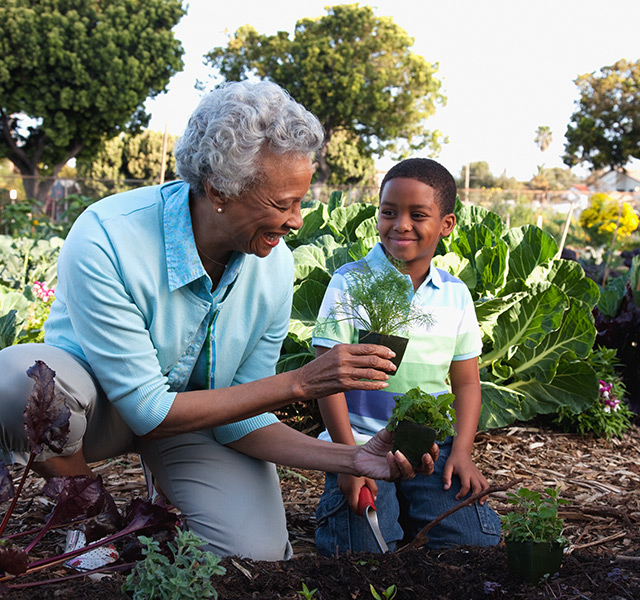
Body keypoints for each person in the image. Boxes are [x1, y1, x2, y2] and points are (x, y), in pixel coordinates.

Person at [0, 82, 439, 561]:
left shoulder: (272, 265)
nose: (296, 220)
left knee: (258, 557)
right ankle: (88, 516)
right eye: (282, 203)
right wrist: (300, 383)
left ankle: (163, 501)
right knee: (19, 382)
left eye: (300, 201)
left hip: (192, 422)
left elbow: (242, 416)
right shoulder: (108, 236)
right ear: (218, 190)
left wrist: (353, 457)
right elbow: (146, 410)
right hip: (97, 411)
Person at [312, 158, 501, 555]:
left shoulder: (456, 294)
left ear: (446, 225)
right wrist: (348, 461)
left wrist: (462, 453)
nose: (400, 225)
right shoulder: (350, 281)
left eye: (418, 215)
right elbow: (325, 380)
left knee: (476, 544)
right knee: (365, 551)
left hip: (430, 451)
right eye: (388, 212)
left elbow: (466, 383)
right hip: (360, 443)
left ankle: (417, 510)